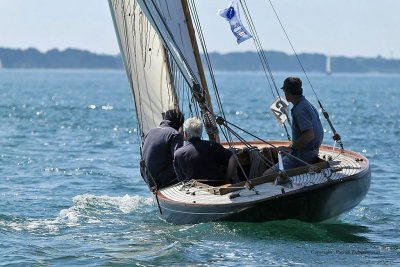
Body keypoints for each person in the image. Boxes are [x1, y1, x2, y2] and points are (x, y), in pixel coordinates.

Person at [264, 77, 324, 180]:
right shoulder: (307, 104)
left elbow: (309, 135)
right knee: (281, 156)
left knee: (266, 175)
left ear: (287, 92)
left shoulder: (299, 110)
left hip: (302, 157)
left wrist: (291, 148)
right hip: (313, 153)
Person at [173, 117, 238, 185]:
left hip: (196, 191)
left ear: (185, 134)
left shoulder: (178, 154)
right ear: (200, 133)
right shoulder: (213, 146)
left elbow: (181, 180)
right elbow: (233, 158)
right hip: (219, 186)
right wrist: (227, 179)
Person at [141, 109, 184, 189]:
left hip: (146, 177)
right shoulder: (175, 134)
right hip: (160, 180)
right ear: (181, 124)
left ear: (166, 118)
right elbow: (178, 159)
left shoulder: (151, 131)